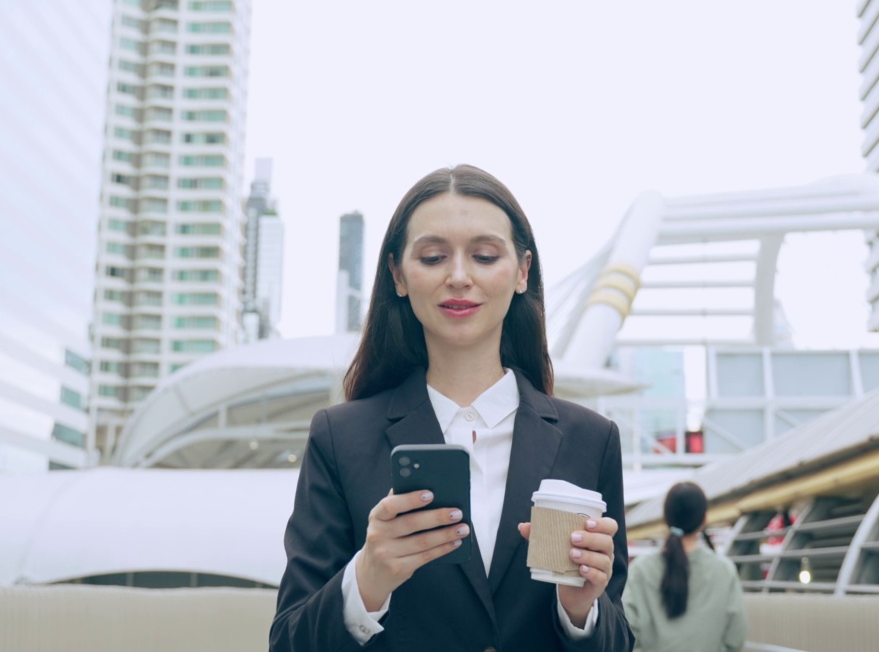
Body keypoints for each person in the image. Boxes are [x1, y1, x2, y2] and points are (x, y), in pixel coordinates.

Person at [270, 165, 634, 651]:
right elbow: (288, 642)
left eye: (484, 256)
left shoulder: (590, 440)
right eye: (434, 256)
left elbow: (619, 639)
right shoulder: (341, 437)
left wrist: (581, 611)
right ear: (398, 275)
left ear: (523, 271)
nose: (459, 277)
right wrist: (366, 580)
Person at [622, 482, 748, 652]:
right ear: (704, 519)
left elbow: (627, 632)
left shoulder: (640, 570)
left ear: (666, 519)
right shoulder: (724, 570)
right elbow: (736, 636)